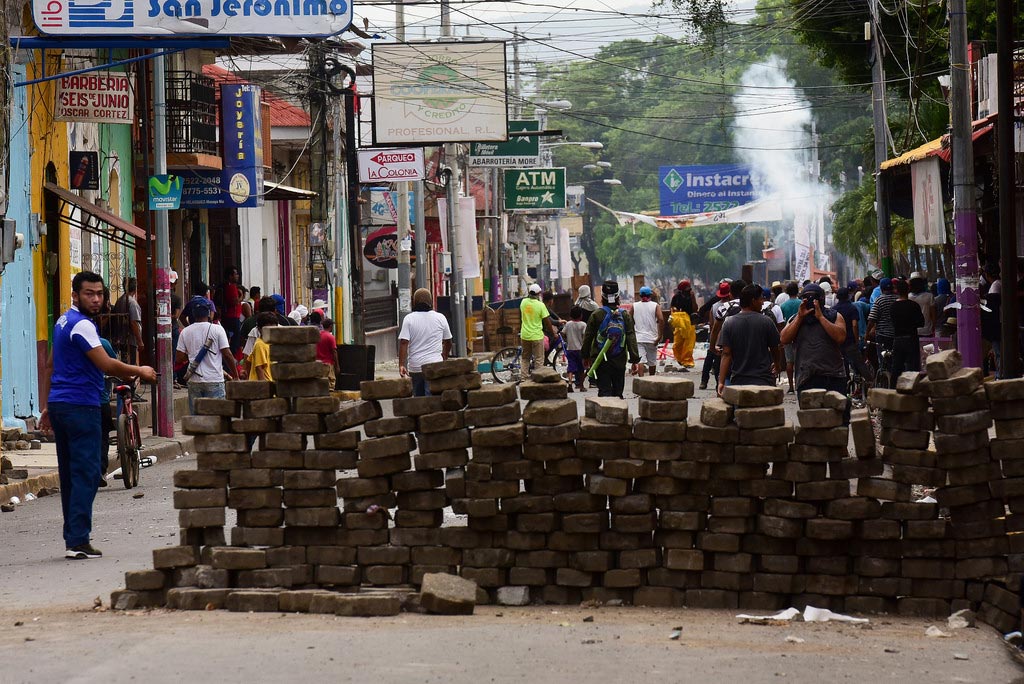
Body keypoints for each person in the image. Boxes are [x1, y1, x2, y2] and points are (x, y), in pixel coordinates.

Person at [41, 271, 157, 559]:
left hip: (61, 406)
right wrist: (140, 370)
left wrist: (46, 406)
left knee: (71, 475)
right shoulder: (82, 326)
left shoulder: (62, 322)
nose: (95, 299)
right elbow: (107, 365)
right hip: (81, 407)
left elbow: (50, 365)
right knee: (89, 473)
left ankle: (74, 537)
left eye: (99, 294)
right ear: (75, 295)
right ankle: (78, 540)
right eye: (89, 294)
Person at [780, 283, 848, 414]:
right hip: (807, 377)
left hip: (833, 376)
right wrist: (800, 317)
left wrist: (821, 317)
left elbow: (840, 337)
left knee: (838, 420)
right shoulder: (797, 318)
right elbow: (784, 339)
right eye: (807, 298)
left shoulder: (834, 316)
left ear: (821, 300)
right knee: (811, 421)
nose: (811, 301)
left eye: (814, 298)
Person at [175, 300, 238, 414]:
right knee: (217, 419)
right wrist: (235, 376)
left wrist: (192, 354)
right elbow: (227, 354)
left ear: (193, 315)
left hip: (194, 380)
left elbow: (179, 358)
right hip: (214, 380)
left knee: (196, 420)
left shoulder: (185, 332)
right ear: (208, 314)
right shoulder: (217, 329)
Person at [582, 280, 640, 398]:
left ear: (602, 297)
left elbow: (588, 337)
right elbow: (631, 336)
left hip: (600, 359)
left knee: (604, 392)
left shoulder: (596, 315)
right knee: (618, 393)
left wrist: (585, 356)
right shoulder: (625, 315)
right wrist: (634, 359)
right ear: (618, 296)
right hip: (619, 359)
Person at [717, 284, 780, 393]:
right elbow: (775, 348)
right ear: (753, 301)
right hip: (764, 381)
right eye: (760, 299)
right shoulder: (766, 322)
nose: (762, 302)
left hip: (739, 382)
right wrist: (777, 365)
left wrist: (721, 382)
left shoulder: (729, 323)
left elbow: (726, 354)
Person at [399, 288, 453, 396]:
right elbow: (448, 341)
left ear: (414, 302)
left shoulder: (409, 319)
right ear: (431, 301)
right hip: (434, 365)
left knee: (418, 400)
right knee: (432, 398)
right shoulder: (440, 318)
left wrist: (401, 364)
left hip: (415, 367)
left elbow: (404, 343)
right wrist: (444, 356)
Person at [699, 280, 734, 390]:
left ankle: (704, 381)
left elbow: (712, 324)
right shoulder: (731, 306)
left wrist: (712, 340)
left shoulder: (714, 306)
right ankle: (719, 382)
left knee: (710, 358)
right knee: (722, 361)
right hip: (727, 337)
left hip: (715, 335)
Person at [833, 287, 872, 384]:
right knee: (860, 364)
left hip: (838, 343)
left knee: (842, 366)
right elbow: (854, 325)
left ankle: (844, 386)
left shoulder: (834, 310)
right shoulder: (852, 308)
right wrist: (856, 340)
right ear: (848, 296)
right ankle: (871, 384)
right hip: (850, 342)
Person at [891, 278, 925, 375]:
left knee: (897, 368)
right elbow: (921, 322)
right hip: (911, 340)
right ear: (908, 289)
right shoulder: (914, 305)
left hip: (897, 340)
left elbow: (893, 322)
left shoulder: (893, 306)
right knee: (913, 368)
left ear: (897, 291)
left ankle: (895, 388)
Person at [520, 283, 552, 377]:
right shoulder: (540, 305)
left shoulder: (523, 302)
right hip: (537, 336)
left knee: (525, 358)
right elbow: (547, 321)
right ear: (538, 294)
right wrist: (553, 333)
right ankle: (538, 378)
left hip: (525, 335)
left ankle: (523, 378)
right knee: (539, 359)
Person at [112, 277, 144, 365]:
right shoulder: (132, 303)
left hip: (121, 339)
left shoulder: (120, 300)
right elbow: (134, 323)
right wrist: (139, 341)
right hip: (130, 340)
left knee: (125, 363)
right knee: (131, 365)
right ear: (135, 288)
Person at [633, 286, 664, 377]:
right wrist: (659, 336)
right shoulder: (655, 306)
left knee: (641, 361)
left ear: (640, 295)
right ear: (650, 295)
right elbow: (661, 319)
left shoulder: (634, 306)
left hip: (639, 338)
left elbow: (628, 319)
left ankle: (641, 381)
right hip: (652, 338)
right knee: (652, 361)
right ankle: (651, 379)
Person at [867, 277, 898, 368]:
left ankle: (884, 377)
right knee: (894, 359)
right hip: (896, 335)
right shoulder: (897, 299)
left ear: (881, 288)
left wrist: (867, 333)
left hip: (882, 336)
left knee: (883, 359)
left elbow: (872, 319)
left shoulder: (879, 300)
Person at [244, 312, 277, 381]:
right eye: (267, 329)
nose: (270, 332)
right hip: (265, 385)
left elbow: (248, 361)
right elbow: (259, 368)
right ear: (259, 329)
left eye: (273, 329)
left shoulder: (271, 344)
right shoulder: (260, 344)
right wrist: (264, 388)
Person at [311, 311, 340, 389]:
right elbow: (334, 352)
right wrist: (337, 366)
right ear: (330, 326)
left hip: (318, 364)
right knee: (330, 386)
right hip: (328, 365)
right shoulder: (330, 337)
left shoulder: (318, 335)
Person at [563, 306, 587, 392]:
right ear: (581, 315)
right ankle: (581, 385)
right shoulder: (583, 325)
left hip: (570, 349)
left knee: (571, 367)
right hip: (580, 349)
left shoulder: (568, 324)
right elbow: (585, 336)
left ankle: (569, 383)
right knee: (581, 369)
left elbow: (563, 333)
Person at [909, 272, 934, 339]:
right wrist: (933, 327)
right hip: (927, 330)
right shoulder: (929, 296)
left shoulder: (908, 297)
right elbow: (933, 314)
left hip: (912, 331)